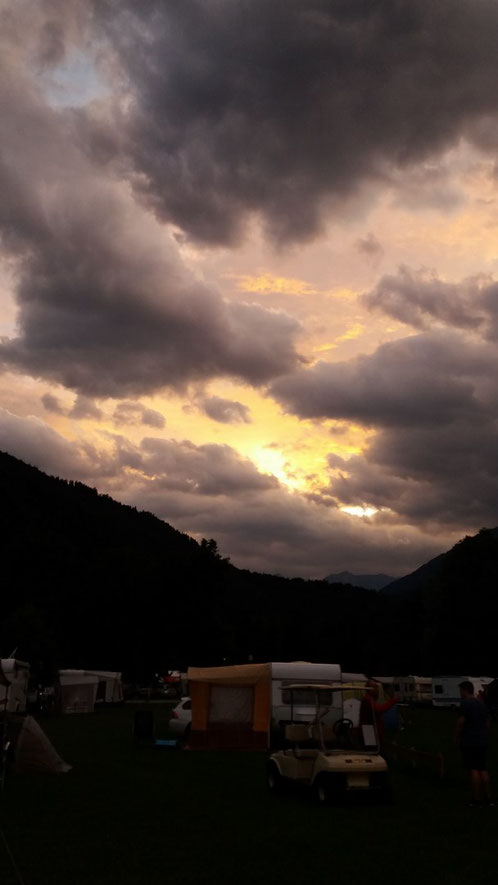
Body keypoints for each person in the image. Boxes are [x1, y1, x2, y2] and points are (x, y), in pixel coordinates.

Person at [456, 680, 493, 806]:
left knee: (474, 770)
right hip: (482, 741)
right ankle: (488, 798)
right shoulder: (481, 703)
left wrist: (457, 736)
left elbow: (461, 722)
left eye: (460, 690)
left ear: (465, 690)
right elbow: (488, 721)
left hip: (470, 741)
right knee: (483, 769)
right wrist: (484, 733)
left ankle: (476, 799)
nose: (460, 693)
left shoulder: (465, 703)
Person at [359, 678, 397, 744]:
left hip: (371, 729)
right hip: (369, 730)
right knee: (371, 749)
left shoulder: (370, 699)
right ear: (370, 689)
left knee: (374, 748)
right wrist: (393, 700)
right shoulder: (368, 699)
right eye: (375, 687)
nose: (377, 689)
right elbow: (379, 709)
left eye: (376, 687)